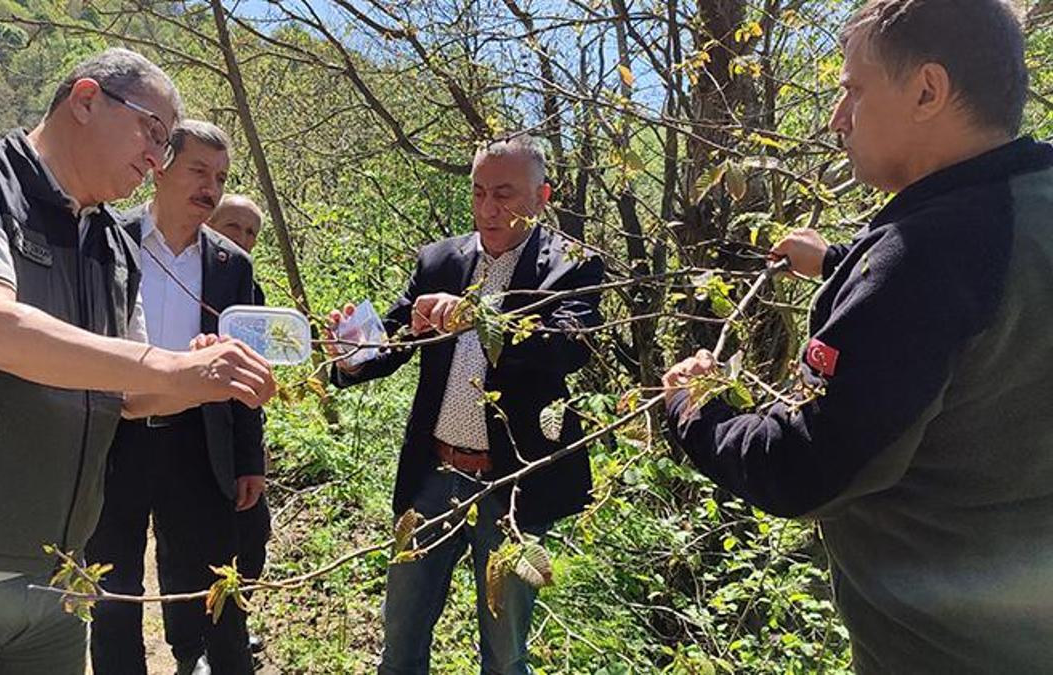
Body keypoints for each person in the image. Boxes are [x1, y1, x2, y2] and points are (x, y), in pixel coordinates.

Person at [0, 49, 277, 674]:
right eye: (152, 132)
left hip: (55, 578)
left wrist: (209, 378)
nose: (156, 159)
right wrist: (167, 367)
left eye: (166, 144)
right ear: (85, 100)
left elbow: (129, 397)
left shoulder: (111, 244)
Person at [662, 1, 1053, 670]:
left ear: (927, 90)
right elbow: (978, 296)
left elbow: (802, 469)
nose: (837, 117)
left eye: (853, 90)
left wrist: (693, 408)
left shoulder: (925, 259)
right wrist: (843, 263)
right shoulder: (1028, 199)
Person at [326, 134, 604, 674]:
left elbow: (568, 347)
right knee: (401, 640)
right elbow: (395, 338)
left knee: (504, 655)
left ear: (542, 196)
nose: (487, 209)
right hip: (431, 476)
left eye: (503, 194)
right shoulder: (440, 260)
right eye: (478, 192)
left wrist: (479, 316)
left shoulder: (572, 265)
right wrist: (353, 355)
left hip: (513, 486)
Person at [86, 122, 265, 675]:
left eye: (221, 177)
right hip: (114, 436)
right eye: (199, 171)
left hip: (197, 438)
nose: (211, 188)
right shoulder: (106, 237)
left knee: (211, 579)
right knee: (111, 584)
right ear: (160, 167)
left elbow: (244, 367)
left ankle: (211, 663)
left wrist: (249, 460)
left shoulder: (232, 265)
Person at [209, 193, 273, 657]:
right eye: (233, 226)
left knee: (251, 539)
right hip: (185, 435)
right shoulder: (184, 279)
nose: (243, 239)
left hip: (239, 435)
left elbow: (256, 377)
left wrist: (252, 456)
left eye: (251, 232)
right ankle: (197, 644)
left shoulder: (254, 294)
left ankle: (233, 627)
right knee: (196, 547)